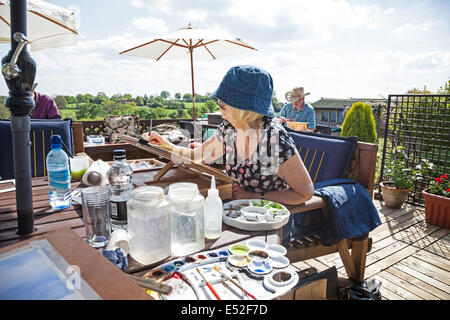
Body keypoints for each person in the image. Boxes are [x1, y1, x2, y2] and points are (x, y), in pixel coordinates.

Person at [143, 65, 314, 206]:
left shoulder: (274, 140)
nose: (219, 101)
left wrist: (256, 196)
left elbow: (304, 193)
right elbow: (198, 155)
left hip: (270, 221)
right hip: (237, 212)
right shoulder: (229, 129)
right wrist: (164, 144)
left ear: (244, 106)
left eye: (226, 98)